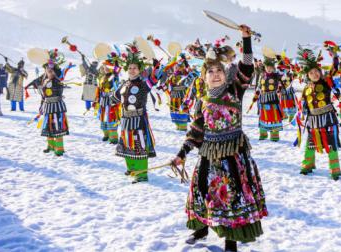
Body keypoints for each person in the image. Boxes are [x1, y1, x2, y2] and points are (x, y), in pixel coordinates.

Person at [171, 25, 267, 252]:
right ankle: (202, 228)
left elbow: (246, 66)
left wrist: (246, 39)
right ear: (204, 77)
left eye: (219, 71)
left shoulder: (234, 91)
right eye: (210, 72)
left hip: (233, 155)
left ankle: (230, 241)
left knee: (231, 195)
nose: (215, 75)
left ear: (226, 75)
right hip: (207, 154)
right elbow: (196, 131)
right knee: (202, 191)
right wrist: (181, 154)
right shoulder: (202, 100)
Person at [110, 42, 160, 183]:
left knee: (139, 145)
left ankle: (141, 174)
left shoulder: (143, 85)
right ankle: (131, 168)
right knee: (127, 144)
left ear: (139, 70)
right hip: (125, 119)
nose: (132, 70)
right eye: (130, 68)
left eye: (135, 68)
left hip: (138, 119)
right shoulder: (124, 84)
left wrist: (155, 67)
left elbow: (154, 79)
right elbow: (114, 97)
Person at [296, 43, 341, 181]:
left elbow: (335, 68)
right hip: (313, 120)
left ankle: (335, 170)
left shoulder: (327, 81)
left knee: (331, 144)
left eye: (316, 71)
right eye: (311, 73)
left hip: (328, 119)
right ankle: (307, 165)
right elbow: (303, 103)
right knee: (310, 144)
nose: (314, 74)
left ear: (320, 72)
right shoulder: (306, 88)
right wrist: (302, 112)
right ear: (308, 76)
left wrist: (334, 55)